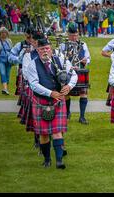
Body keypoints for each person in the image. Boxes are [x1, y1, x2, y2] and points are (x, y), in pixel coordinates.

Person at [23, 38, 77, 169]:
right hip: (41, 101)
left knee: (57, 131)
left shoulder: (60, 61)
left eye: (47, 48)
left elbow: (74, 75)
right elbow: (34, 84)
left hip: (57, 101)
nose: (45, 51)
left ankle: (59, 161)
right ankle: (47, 159)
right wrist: (50, 93)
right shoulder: (32, 65)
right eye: (42, 49)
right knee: (44, 134)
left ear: (51, 49)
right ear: (38, 50)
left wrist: (69, 86)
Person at [60, 25, 91, 124]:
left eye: (76, 35)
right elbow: (59, 59)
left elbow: (88, 58)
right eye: (72, 35)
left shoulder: (83, 44)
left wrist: (86, 61)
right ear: (68, 35)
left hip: (80, 71)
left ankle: (82, 117)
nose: (74, 38)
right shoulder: (63, 45)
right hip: (67, 73)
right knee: (66, 93)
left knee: (83, 93)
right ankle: (68, 113)